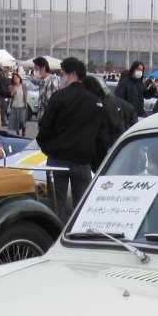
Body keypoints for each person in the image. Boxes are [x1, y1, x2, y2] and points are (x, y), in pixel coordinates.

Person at [35, 56, 104, 216]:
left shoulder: (59, 97)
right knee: (81, 208)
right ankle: (79, 237)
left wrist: (46, 148)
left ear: (72, 74)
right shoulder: (96, 102)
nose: (60, 77)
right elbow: (100, 136)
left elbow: (45, 126)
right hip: (83, 162)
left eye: (62, 73)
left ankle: (57, 235)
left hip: (58, 159)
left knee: (56, 207)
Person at [81, 75, 137, 163]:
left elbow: (104, 135)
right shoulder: (119, 103)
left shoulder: (100, 106)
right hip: (123, 150)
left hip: (105, 154)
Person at [6, 70, 29, 134]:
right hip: (14, 105)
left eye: (17, 78)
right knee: (16, 119)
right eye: (14, 78)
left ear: (19, 78)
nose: (16, 79)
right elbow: (9, 95)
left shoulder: (23, 86)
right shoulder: (12, 87)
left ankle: (23, 128)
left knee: (21, 119)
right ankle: (17, 131)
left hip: (22, 105)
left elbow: (26, 94)